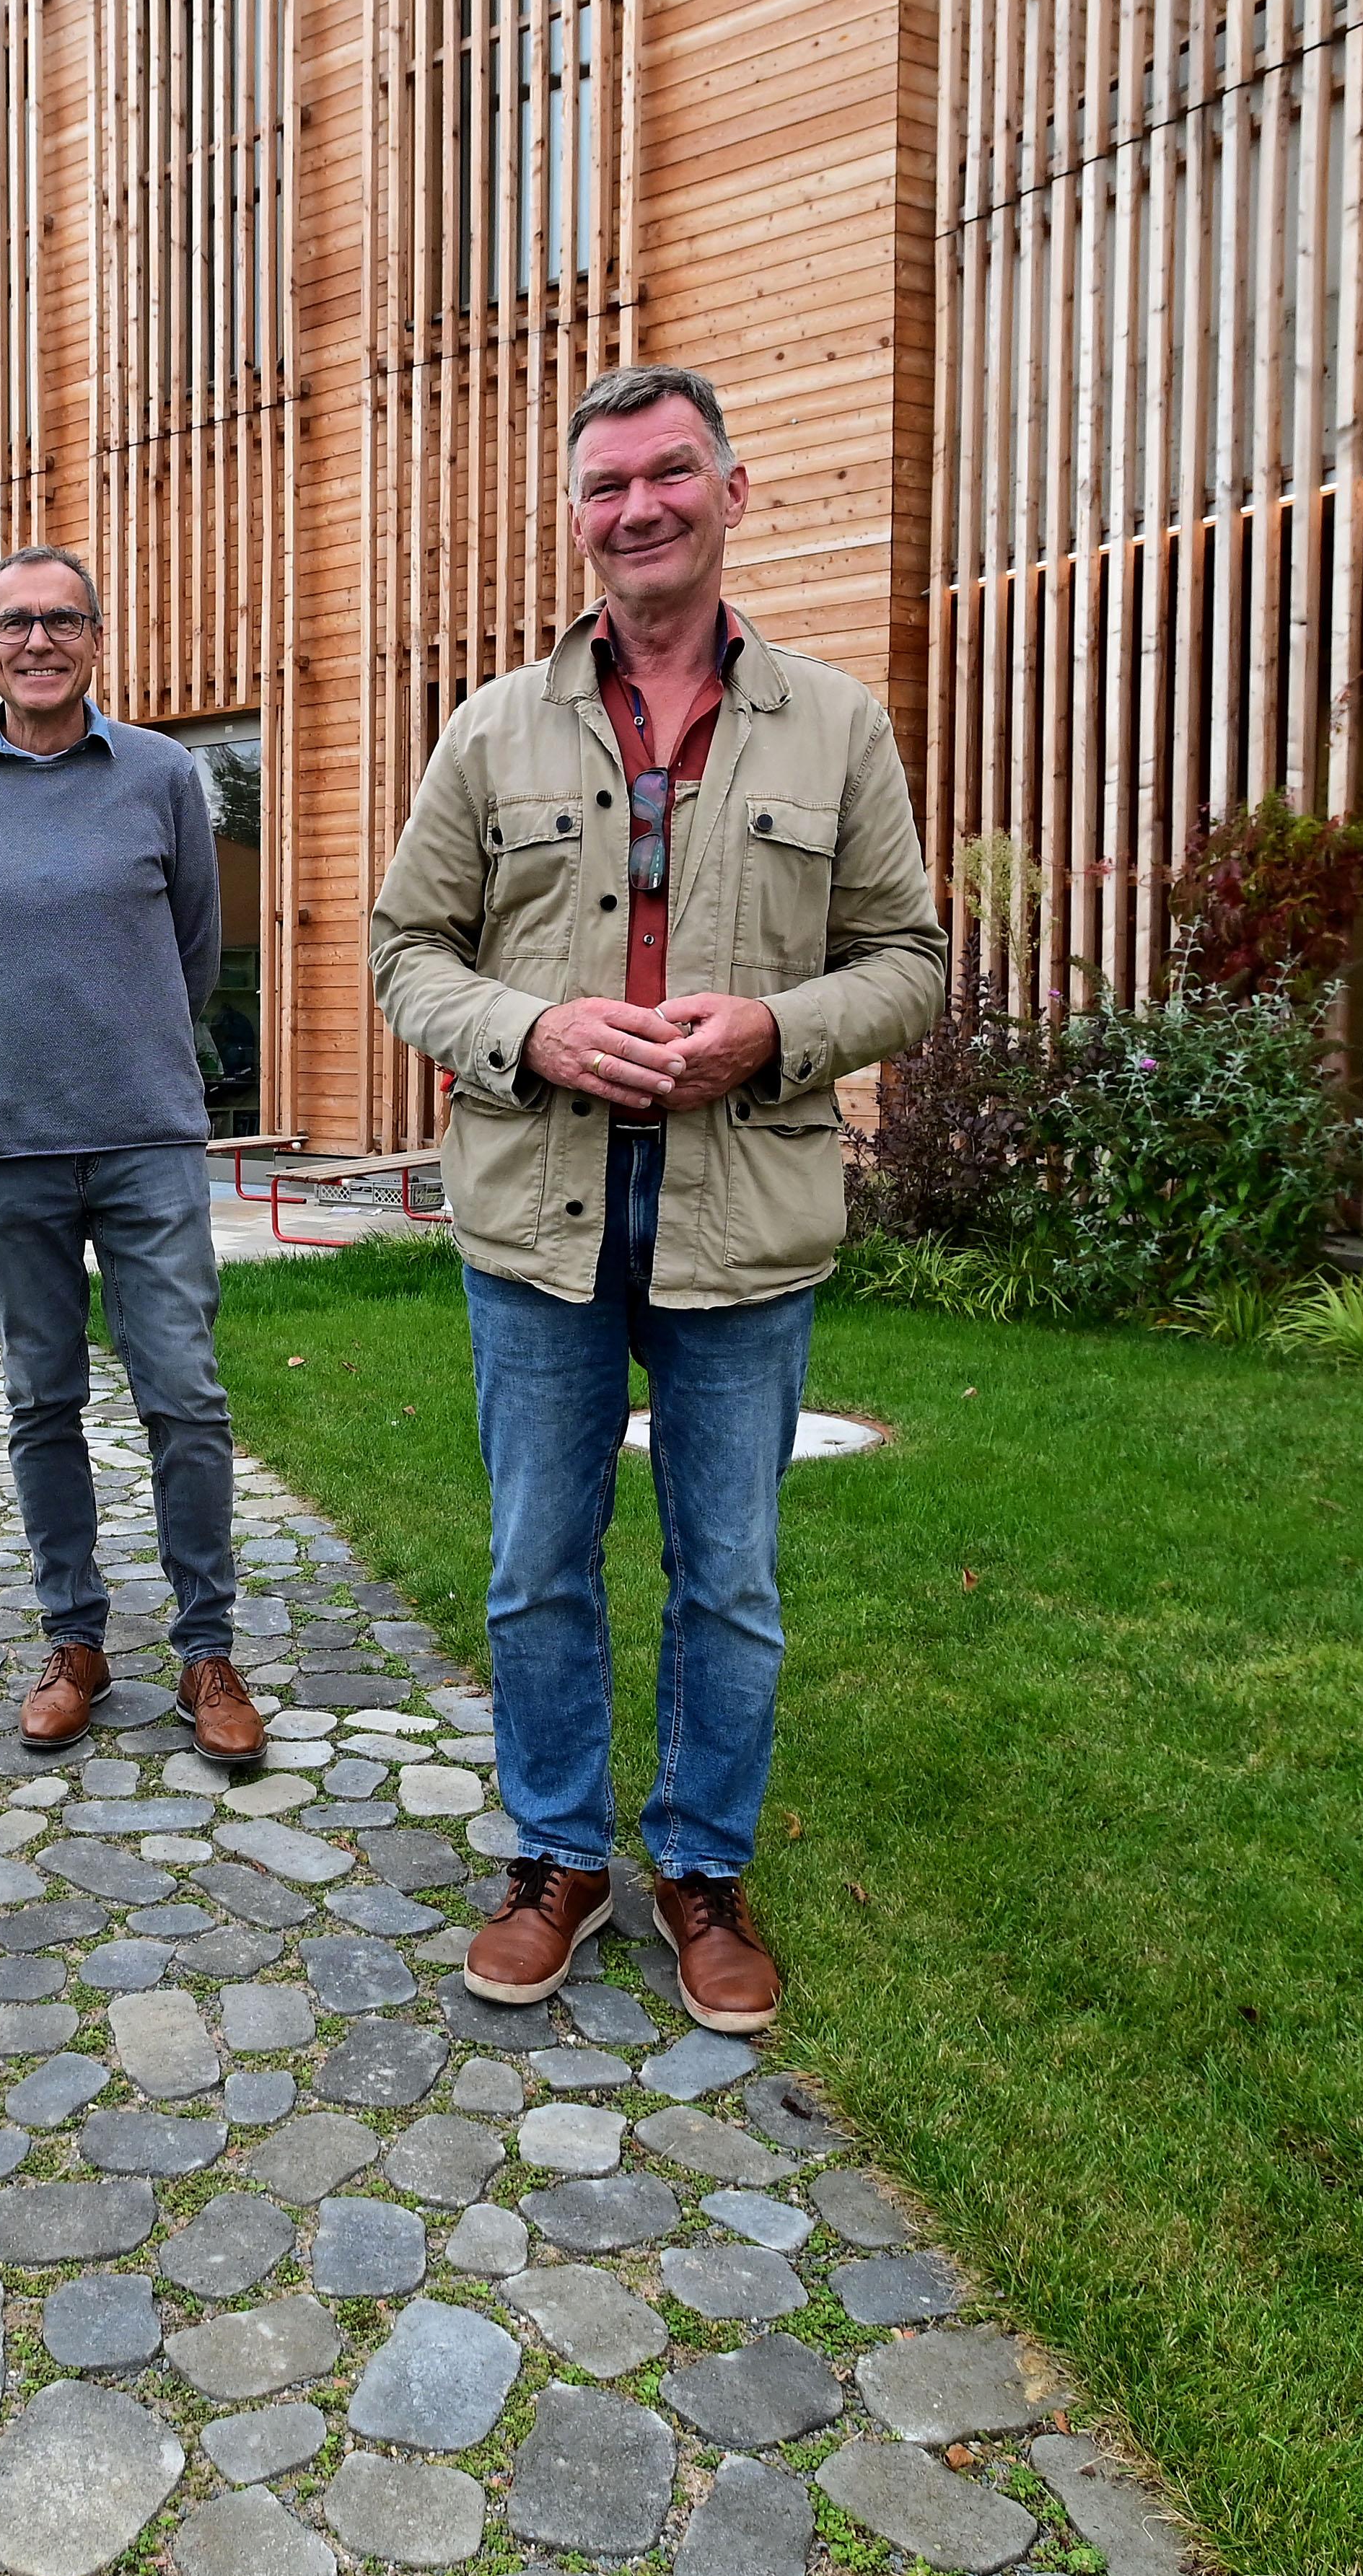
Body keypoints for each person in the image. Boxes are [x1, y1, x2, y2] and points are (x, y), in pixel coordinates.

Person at [365, 365, 945, 2034]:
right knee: (537, 1561)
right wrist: (532, 1029)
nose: (640, 508)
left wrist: (773, 1030)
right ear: (576, 517)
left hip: (743, 1214)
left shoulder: (834, 723)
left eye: (670, 473)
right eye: (607, 484)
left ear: (731, 492)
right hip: (535, 1210)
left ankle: (701, 1864)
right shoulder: (492, 728)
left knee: (730, 1571)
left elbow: (907, 961)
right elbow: (406, 951)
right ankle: (559, 1855)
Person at [0, 546, 266, 1763]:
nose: (39, 641)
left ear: (98, 639)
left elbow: (197, 947)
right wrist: (7, 1056)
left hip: (146, 1134)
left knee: (186, 1397)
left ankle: (207, 1651)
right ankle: (76, 1641)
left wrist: (129, 1046)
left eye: (63, 620)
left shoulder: (161, 773)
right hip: (5, 1142)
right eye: (15, 623)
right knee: (40, 1400)